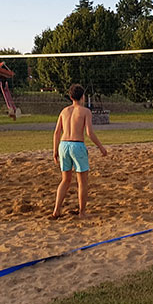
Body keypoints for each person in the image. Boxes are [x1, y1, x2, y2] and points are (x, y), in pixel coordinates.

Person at [50, 84, 108, 220]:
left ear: (71, 97)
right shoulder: (85, 111)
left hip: (63, 145)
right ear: (83, 97)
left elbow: (57, 132)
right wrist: (101, 147)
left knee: (65, 180)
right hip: (77, 145)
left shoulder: (64, 111)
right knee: (82, 181)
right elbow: (89, 133)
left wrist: (55, 150)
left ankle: (56, 210)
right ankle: (82, 212)